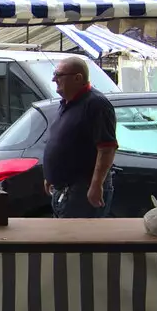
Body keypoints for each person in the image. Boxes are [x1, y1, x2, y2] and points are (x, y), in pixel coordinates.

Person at [42, 56, 119, 218]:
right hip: (63, 189)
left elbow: (107, 149)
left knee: (77, 239)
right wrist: (51, 175)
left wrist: (96, 185)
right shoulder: (67, 103)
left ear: (78, 78)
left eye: (58, 75)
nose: (53, 79)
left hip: (82, 190)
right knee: (62, 238)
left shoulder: (96, 104)